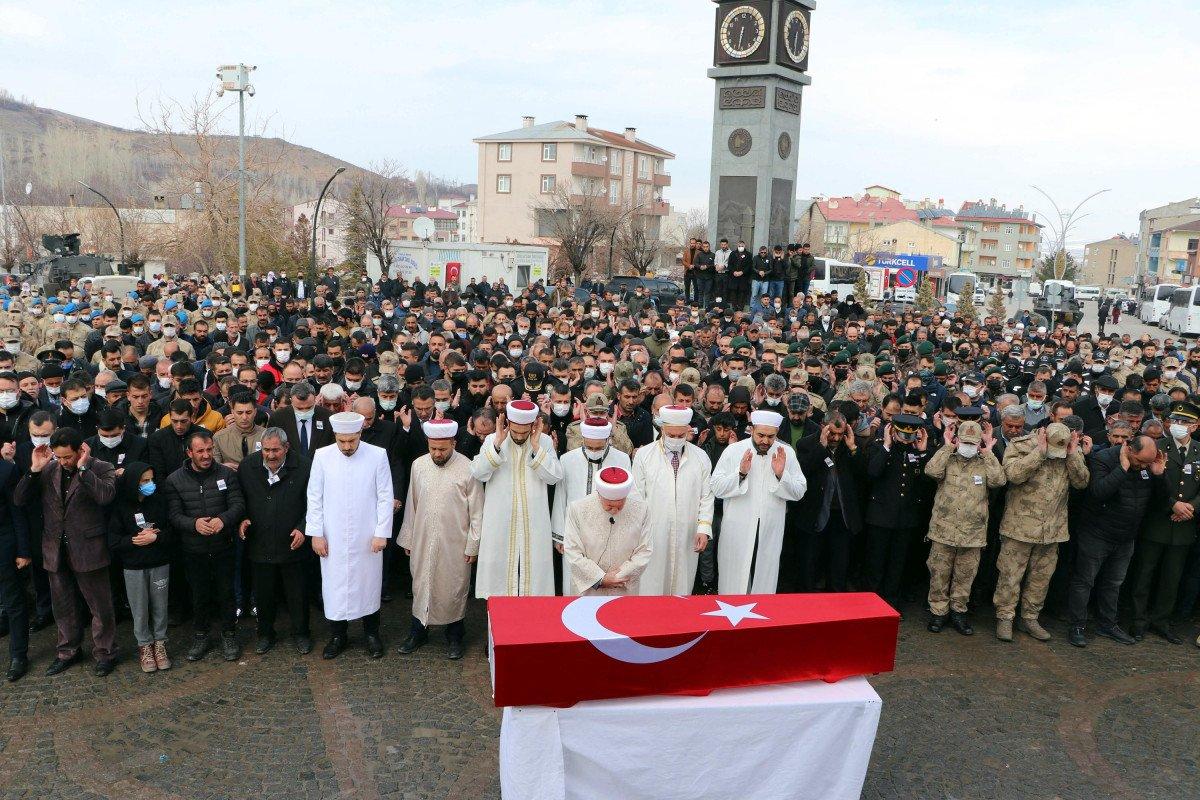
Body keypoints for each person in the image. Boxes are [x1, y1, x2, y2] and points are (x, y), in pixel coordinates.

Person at [15, 428, 119, 677]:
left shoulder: (101, 467)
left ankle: (106, 653)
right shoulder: (49, 469)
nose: (63, 462)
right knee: (62, 605)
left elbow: (105, 496)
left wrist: (83, 469)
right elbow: (19, 499)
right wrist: (34, 470)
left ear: (80, 450)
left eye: (68, 457)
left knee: (100, 606)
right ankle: (68, 651)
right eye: (59, 457)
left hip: (89, 548)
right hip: (55, 549)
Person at [306, 411, 394, 659]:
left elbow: (385, 496)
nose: (346, 446)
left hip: (367, 535)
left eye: (351, 441)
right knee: (334, 587)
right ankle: (338, 635)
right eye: (341, 441)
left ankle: (371, 634)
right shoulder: (322, 456)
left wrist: (381, 532)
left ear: (360, 433)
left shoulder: (377, 455)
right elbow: (314, 496)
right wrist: (316, 533)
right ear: (335, 435)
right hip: (332, 535)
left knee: (369, 585)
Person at [992, 423, 1089, 642]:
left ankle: (1030, 618)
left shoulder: (1070, 449)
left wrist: (1073, 455)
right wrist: (1039, 453)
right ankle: (1005, 617)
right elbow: (1012, 475)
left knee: (1041, 579)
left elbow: (1082, 482)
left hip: (1052, 529)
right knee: (1010, 576)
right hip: (1019, 528)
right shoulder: (1021, 445)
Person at [396, 419, 484, 660]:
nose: (437, 453)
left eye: (442, 449)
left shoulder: (469, 468)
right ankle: (418, 631)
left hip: (455, 542)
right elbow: (412, 503)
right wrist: (409, 538)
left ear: (453, 443)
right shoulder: (418, 465)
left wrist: (473, 545)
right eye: (433, 448)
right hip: (423, 538)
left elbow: (477, 511)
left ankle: (455, 635)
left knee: (453, 587)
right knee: (421, 585)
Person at [1068, 435, 1163, 647]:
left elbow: (1158, 502)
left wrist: (1158, 476)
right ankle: (1077, 625)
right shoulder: (1103, 459)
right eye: (1140, 461)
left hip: (1126, 537)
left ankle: (1107, 624)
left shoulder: (1147, 467)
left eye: (1147, 463)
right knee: (1085, 581)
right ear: (1128, 448)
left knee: (1113, 583)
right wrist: (1123, 468)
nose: (1143, 466)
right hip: (1097, 533)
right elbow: (1098, 492)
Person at [165, 429, 246, 663]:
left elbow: (238, 505)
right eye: (200, 451)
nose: (206, 455)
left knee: (226, 594)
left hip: (224, 545)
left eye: (209, 449)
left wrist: (223, 520)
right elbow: (173, 515)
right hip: (194, 549)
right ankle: (201, 636)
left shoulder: (226, 474)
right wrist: (194, 524)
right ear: (189, 452)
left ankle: (229, 635)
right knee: (199, 595)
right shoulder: (174, 480)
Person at [471, 400, 563, 597]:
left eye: (524, 432)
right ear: (507, 423)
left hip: (534, 523)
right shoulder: (493, 439)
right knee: (500, 583)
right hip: (500, 523)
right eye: (516, 431)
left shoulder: (544, 442)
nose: (520, 436)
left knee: (534, 583)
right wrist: (497, 444)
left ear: (533, 425)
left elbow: (554, 477)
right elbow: (478, 473)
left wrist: (536, 447)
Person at [710, 409, 807, 594]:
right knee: (734, 575)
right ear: (752, 430)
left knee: (766, 574)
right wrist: (740, 473)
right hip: (738, 527)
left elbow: (799, 491)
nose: (765, 441)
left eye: (771, 436)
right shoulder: (734, 450)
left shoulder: (786, 452)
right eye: (761, 435)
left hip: (770, 527)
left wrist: (781, 475)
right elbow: (716, 488)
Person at [923, 420, 1005, 636]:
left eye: (972, 443)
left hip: (972, 533)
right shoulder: (947, 458)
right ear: (958, 439)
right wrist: (947, 446)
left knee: (965, 575)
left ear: (979, 443)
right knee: (939, 573)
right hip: (943, 529)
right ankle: (938, 612)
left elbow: (998, 481)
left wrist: (989, 451)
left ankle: (958, 612)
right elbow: (931, 471)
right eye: (965, 442)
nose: (968, 447)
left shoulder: (985, 461)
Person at [1128, 400, 1200, 644]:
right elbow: (1147, 482)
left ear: (1195, 426)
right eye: (1175, 420)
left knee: (1172, 578)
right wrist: (1173, 505)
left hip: (1184, 525)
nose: (1178, 424)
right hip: (1156, 522)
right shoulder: (1157, 447)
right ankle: (1138, 621)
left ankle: (1161, 620)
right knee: (1144, 574)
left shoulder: (1199, 450)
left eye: (1184, 421)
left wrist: (1190, 507)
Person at [238, 427, 312, 655]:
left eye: (276, 450)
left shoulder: (304, 467)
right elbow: (238, 499)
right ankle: (265, 634)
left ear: (286, 448)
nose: (271, 455)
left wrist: (303, 528)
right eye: (266, 450)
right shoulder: (247, 466)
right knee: (264, 594)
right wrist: (242, 518)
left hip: (292, 543)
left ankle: (301, 633)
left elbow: (315, 503)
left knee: (297, 593)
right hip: (260, 542)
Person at [630, 405, 714, 595]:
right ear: (662, 429)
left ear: (688, 431)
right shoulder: (644, 456)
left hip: (688, 532)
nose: (675, 440)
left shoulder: (700, 457)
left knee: (682, 584)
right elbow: (636, 497)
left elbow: (706, 496)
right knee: (651, 585)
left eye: (680, 435)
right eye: (671, 435)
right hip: (652, 533)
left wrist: (703, 528)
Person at [551, 417, 632, 595]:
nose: (594, 452)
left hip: (611, 533)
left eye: (598, 448)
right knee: (575, 587)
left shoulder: (622, 459)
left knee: (607, 586)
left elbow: (629, 498)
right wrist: (560, 536)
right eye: (590, 447)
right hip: (575, 534)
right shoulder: (567, 460)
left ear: (607, 440)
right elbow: (560, 497)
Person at [106, 462, 174, 673]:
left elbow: (172, 531)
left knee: (160, 606)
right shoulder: (120, 506)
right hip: (133, 566)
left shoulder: (160, 502)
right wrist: (133, 541)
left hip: (159, 562)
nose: (150, 484)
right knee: (139, 608)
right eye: (145, 481)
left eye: (151, 480)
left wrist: (157, 537)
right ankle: (144, 645)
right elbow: (113, 540)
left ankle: (160, 643)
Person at [564, 466, 652, 595]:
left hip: (623, 589)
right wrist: (600, 578)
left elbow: (644, 550)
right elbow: (572, 550)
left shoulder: (642, 510)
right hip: (589, 592)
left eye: (620, 506)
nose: (615, 511)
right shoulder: (577, 509)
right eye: (609, 506)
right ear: (600, 495)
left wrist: (617, 578)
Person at [0, 439, 31, 681]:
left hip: (5, 545)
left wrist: (23, 550)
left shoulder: (6, 471)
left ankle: (18, 655)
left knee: (14, 601)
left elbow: (17, 512)